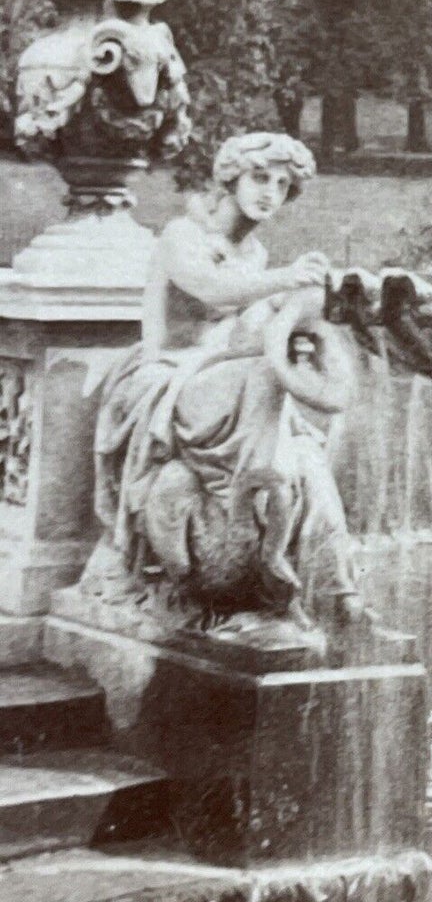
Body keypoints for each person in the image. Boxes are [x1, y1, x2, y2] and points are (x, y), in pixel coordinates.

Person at [90, 132, 364, 631]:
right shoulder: (182, 235)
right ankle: (259, 484)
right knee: (266, 380)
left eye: (282, 186)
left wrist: (298, 316)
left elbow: (246, 326)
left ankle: (338, 590)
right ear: (231, 178)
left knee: (304, 433)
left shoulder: (254, 254)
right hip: (164, 376)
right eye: (260, 178)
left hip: (219, 378)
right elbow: (212, 291)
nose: (269, 193)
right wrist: (285, 280)